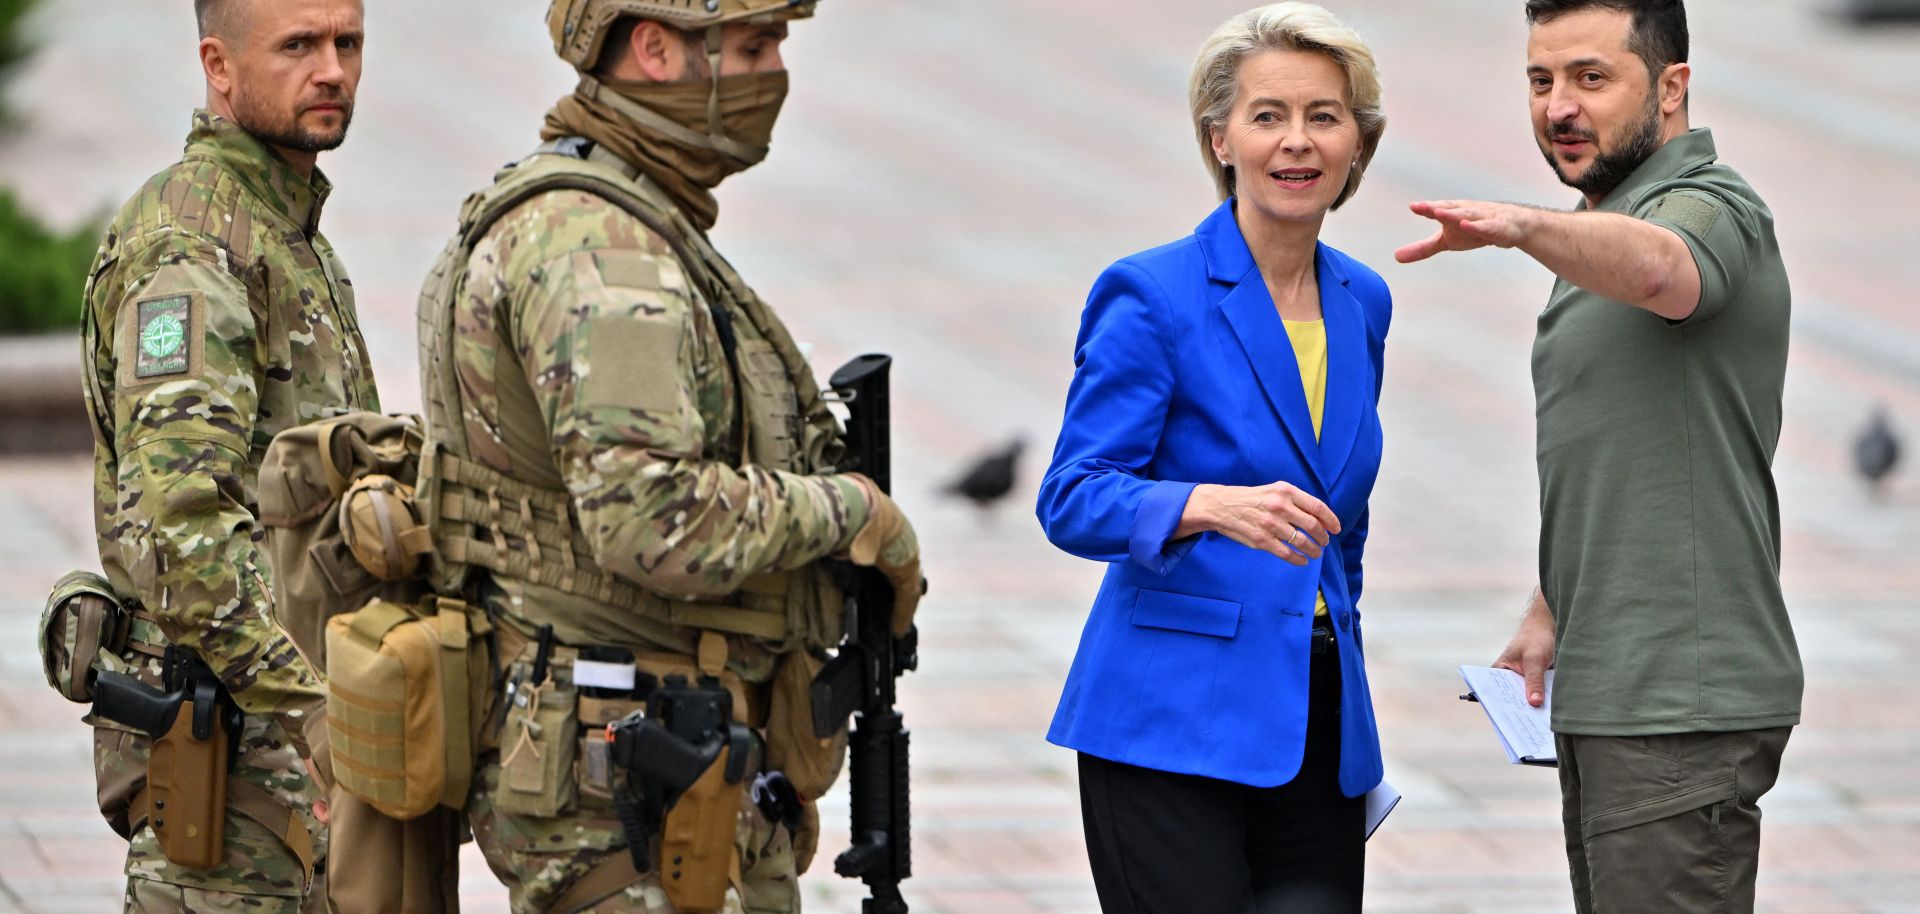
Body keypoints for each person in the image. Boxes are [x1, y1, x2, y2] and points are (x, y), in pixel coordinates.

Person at [411, 1, 923, 911]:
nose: (775, 75)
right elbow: (652, 520)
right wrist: (855, 515)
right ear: (654, 49)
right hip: (629, 768)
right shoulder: (599, 247)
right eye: (754, 48)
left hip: (646, 743)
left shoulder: (615, 208)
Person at [1395, 1, 1796, 911]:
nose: (1558, 107)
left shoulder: (1711, 205)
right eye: (1540, 81)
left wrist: (1521, 225)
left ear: (1671, 87)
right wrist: (1552, 604)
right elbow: (1638, 445)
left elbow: (1664, 271)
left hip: (1679, 703)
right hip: (1621, 691)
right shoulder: (1610, 223)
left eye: (1590, 77)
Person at [1035, 4, 1391, 911]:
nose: (1296, 142)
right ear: (1220, 137)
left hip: (1316, 725)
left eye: (1324, 115)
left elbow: (1338, 528)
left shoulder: (1364, 302)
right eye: (1267, 115)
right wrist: (1205, 505)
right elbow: (1073, 497)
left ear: (1358, 140)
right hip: (1167, 725)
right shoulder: (1151, 294)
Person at [71, 0, 372, 909]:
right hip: (237, 777)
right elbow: (182, 533)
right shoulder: (194, 247)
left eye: (346, 43)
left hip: (293, 772)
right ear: (219, 63)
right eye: (297, 45)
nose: (331, 70)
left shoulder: (284, 229)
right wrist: (319, 715)